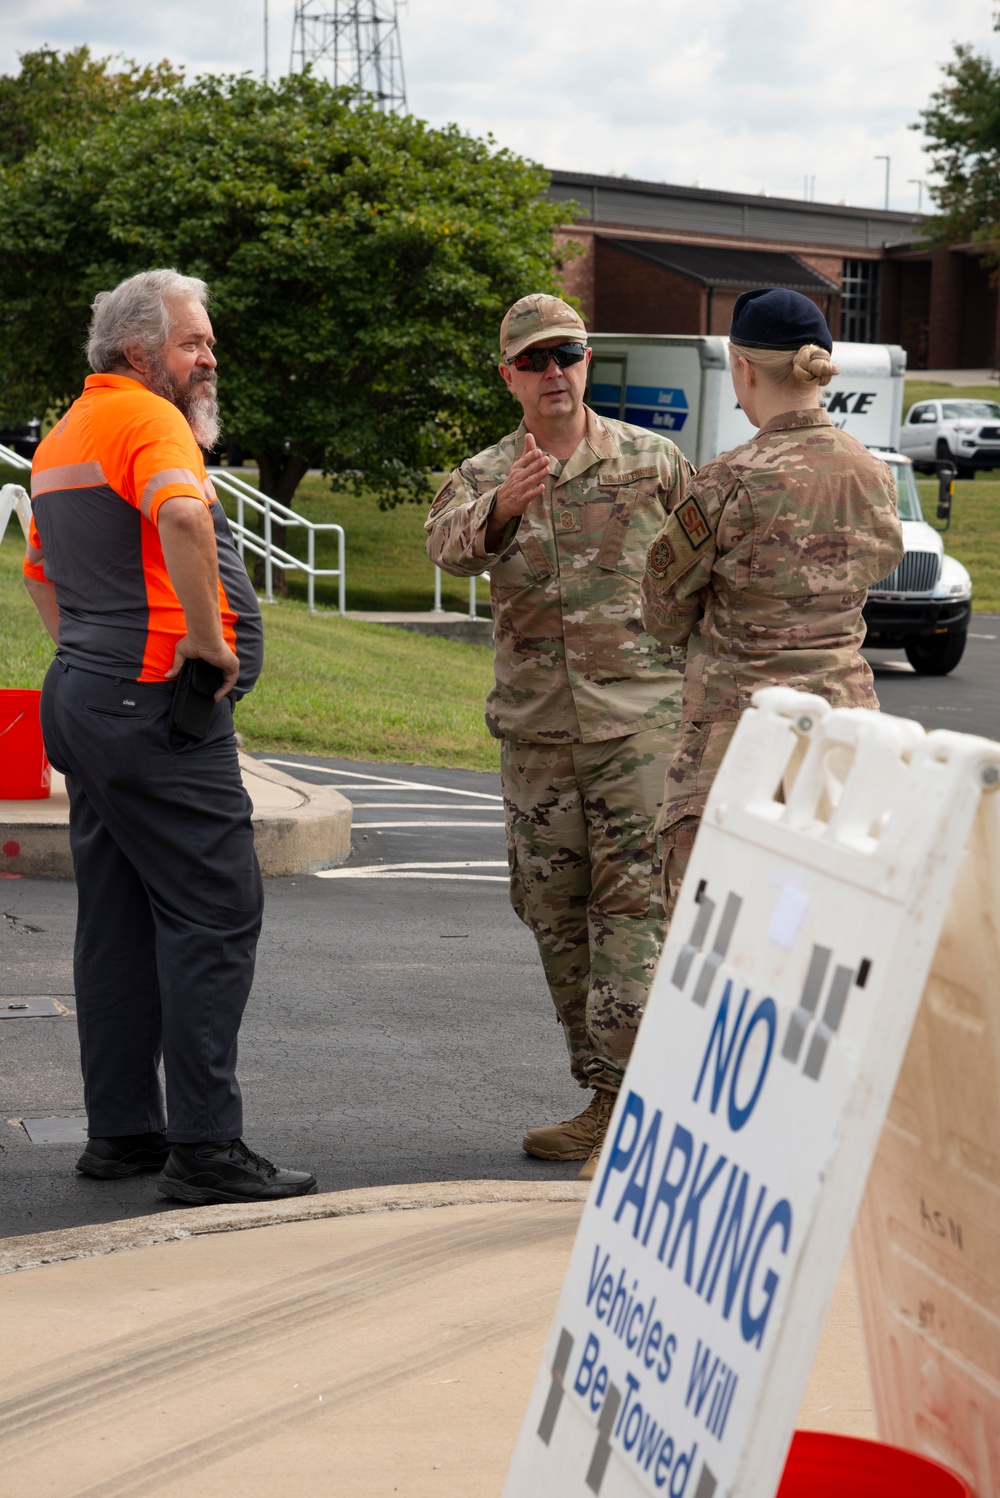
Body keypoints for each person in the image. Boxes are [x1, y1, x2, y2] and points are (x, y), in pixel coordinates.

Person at [23, 269, 317, 1204]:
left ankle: (122, 1134)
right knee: (213, 915)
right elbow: (185, 515)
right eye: (195, 341)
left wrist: (95, 654)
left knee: (114, 924)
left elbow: (40, 574)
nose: (209, 356)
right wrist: (201, 639)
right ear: (140, 352)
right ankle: (206, 1150)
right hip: (150, 706)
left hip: (83, 696)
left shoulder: (66, 432)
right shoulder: (152, 423)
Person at [425, 293, 692, 1179]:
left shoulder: (653, 462)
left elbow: (708, 572)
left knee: (635, 916)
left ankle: (633, 1105)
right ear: (507, 375)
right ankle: (602, 1091)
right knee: (552, 915)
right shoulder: (484, 473)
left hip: (641, 732)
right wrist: (501, 506)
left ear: (588, 360)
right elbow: (448, 548)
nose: (554, 373)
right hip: (539, 738)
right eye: (534, 360)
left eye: (567, 355)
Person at [641, 287, 905, 919]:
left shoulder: (730, 479)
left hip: (741, 747)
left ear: (743, 367)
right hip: (848, 743)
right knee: (826, 935)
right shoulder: (873, 473)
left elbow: (661, 609)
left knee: (712, 948)